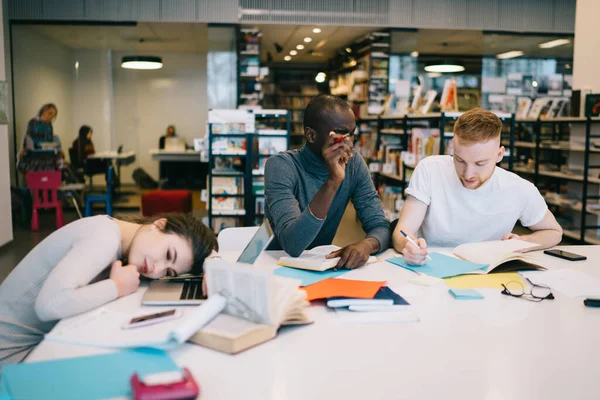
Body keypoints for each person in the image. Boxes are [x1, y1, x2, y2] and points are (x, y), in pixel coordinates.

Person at [0, 213, 218, 369]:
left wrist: (213, 261)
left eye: (168, 272)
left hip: (31, 348)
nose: (157, 269)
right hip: (9, 359)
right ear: (159, 224)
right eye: (168, 255)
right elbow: (48, 306)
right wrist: (117, 287)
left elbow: (195, 250)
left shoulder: (119, 234)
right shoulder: (103, 237)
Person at [392, 107, 563, 265]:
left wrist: (522, 242)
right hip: (430, 270)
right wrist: (408, 246)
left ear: (499, 154)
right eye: (459, 160)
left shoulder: (520, 189)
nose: (468, 174)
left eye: (480, 164)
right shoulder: (429, 170)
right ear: (453, 145)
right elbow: (402, 232)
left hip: (488, 274)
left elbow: (554, 232)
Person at [264, 95, 390, 269]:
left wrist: (366, 245)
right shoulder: (281, 166)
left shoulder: (353, 164)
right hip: (278, 264)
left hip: (320, 265)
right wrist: (333, 181)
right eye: (339, 135)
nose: (348, 144)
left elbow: (380, 226)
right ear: (310, 135)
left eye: (351, 135)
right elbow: (293, 244)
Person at [17, 103, 64, 173]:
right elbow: (27, 137)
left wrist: (56, 148)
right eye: (50, 113)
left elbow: (50, 139)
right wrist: (23, 150)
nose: (51, 117)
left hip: (47, 153)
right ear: (43, 111)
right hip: (35, 153)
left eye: (53, 115)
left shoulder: (49, 125)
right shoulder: (33, 122)